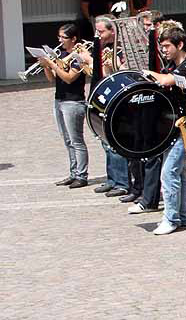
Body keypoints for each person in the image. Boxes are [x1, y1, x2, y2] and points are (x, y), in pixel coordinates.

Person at [145, 27, 186, 235]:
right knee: (179, 172)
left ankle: (170, 218)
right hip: (176, 125)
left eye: (168, 46)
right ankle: (184, 215)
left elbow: (166, 80)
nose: (164, 50)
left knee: (169, 173)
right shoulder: (172, 64)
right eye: (162, 46)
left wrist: (148, 73)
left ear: (180, 45)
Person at [41, 23, 89, 188]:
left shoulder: (78, 57)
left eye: (64, 37)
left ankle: (82, 175)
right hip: (59, 99)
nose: (60, 40)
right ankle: (73, 173)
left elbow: (69, 78)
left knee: (76, 140)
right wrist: (46, 66)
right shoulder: (60, 54)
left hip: (73, 102)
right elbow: (52, 79)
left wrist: (53, 64)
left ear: (74, 38)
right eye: (59, 37)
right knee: (67, 140)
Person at [89, 16, 131, 197]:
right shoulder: (103, 49)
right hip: (103, 96)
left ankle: (122, 182)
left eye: (101, 31)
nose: (98, 35)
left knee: (115, 142)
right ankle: (112, 179)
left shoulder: (122, 50)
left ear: (112, 31)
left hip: (119, 99)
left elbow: (124, 73)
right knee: (105, 141)